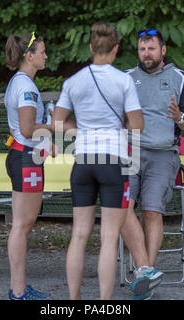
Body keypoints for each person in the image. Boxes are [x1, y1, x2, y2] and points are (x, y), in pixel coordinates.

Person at [52, 23, 144, 300]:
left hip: (82, 162)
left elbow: (56, 122)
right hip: (113, 162)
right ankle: (104, 302)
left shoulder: (73, 81)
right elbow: (138, 125)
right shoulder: (123, 81)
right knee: (108, 238)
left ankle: (74, 299)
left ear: (91, 48)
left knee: (79, 235)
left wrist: (79, 127)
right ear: (116, 48)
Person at [120, 28, 184, 299]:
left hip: (164, 154)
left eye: (151, 49)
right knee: (121, 208)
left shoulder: (180, 78)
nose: (146, 54)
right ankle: (146, 271)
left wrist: (179, 117)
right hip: (130, 153)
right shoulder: (127, 79)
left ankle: (145, 277)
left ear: (163, 50)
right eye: (142, 49)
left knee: (152, 212)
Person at [4, 31, 53, 300]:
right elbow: (27, 128)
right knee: (22, 226)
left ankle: (18, 288)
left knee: (22, 225)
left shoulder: (19, 82)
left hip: (23, 156)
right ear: (29, 56)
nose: (46, 56)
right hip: (26, 159)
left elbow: (24, 130)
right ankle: (19, 292)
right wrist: (53, 126)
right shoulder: (25, 86)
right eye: (42, 51)